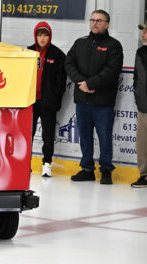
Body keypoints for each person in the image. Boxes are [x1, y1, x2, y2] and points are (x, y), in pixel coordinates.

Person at [65, 10, 123, 184]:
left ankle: (106, 171)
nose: (95, 23)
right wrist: (81, 82)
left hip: (102, 102)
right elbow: (69, 62)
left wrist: (91, 84)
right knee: (84, 136)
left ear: (107, 24)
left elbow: (111, 71)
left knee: (105, 137)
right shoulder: (80, 43)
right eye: (92, 20)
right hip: (82, 100)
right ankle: (87, 169)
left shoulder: (114, 45)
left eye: (99, 20)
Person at [28, 21, 67, 177]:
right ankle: (25, 164)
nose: (42, 38)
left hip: (47, 103)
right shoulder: (28, 52)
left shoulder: (57, 55)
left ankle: (47, 164)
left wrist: (54, 99)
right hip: (30, 102)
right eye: (39, 35)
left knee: (48, 135)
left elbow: (61, 82)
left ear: (50, 37)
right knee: (27, 134)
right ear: (35, 36)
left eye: (45, 35)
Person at [131, 23, 147, 188]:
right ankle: (145, 175)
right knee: (142, 144)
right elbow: (137, 78)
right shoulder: (140, 52)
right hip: (144, 107)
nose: (143, 35)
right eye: (143, 31)